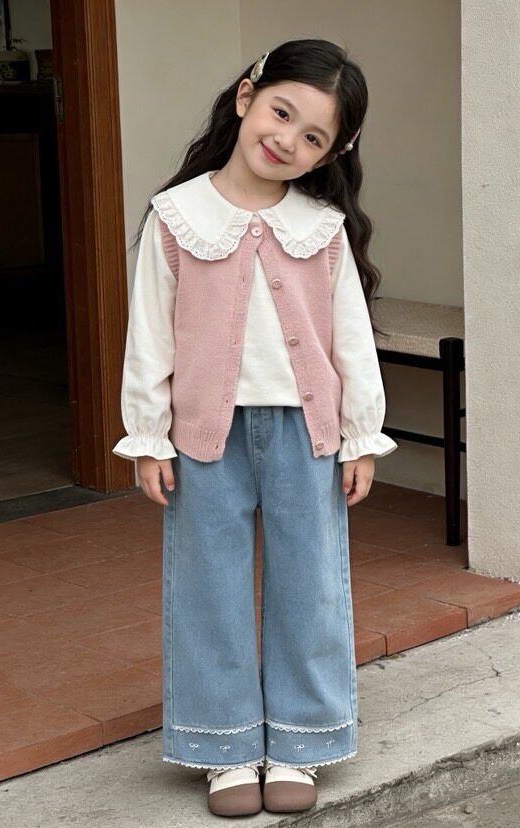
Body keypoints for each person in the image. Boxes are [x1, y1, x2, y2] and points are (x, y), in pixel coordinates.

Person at [112, 38, 397, 818]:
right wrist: (148, 434)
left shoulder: (322, 227)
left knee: (311, 585)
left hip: (309, 433)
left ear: (332, 152)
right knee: (208, 585)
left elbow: (349, 337)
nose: (288, 140)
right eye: (281, 113)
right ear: (246, 98)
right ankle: (223, 745)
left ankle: (306, 741)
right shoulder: (177, 216)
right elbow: (152, 333)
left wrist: (361, 434)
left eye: (314, 137)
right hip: (204, 433)